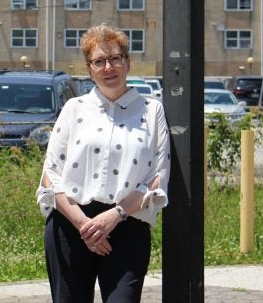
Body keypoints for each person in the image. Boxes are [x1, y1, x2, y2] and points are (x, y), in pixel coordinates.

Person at [36, 24, 171, 303]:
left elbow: (158, 174)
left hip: (127, 224)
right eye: (99, 61)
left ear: (127, 63)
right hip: (71, 226)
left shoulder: (151, 110)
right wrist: (85, 225)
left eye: (115, 58)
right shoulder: (74, 108)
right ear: (89, 69)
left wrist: (114, 216)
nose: (108, 67)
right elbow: (51, 174)